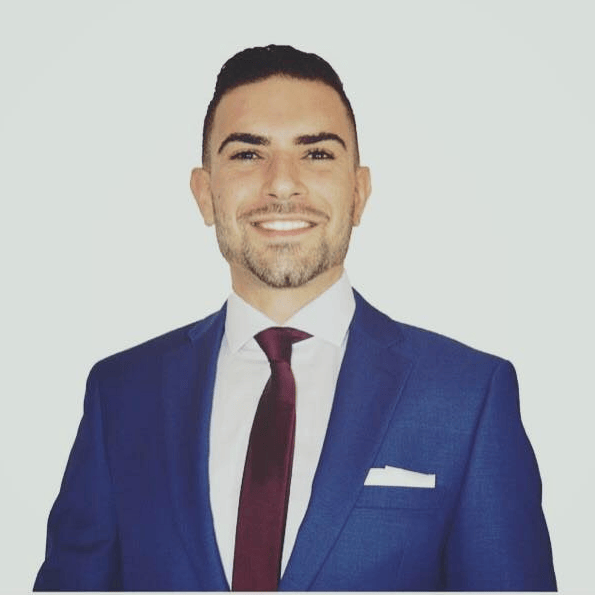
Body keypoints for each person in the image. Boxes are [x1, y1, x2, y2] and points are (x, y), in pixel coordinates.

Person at [34, 45, 556, 591]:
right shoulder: (121, 395)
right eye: (247, 154)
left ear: (359, 193)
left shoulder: (467, 398)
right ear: (205, 194)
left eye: (317, 154)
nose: (282, 184)